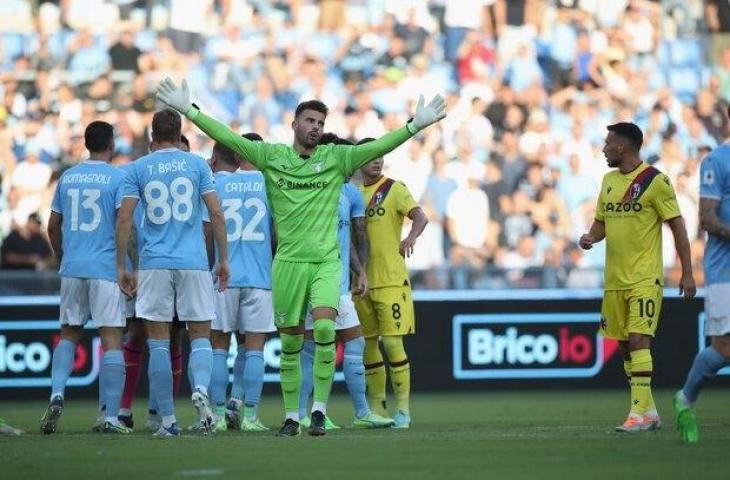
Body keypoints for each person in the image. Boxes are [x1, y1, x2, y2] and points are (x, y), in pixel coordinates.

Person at [156, 77, 446, 436]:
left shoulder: (336, 158)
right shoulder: (273, 157)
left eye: (321, 123)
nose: (315, 128)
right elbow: (229, 139)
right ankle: (293, 415)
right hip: (288, 264)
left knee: (324, 329)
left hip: (326, 264)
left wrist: (414, 125)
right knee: (292, 342)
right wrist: (189, 110)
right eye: (310, 121)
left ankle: (319, 411)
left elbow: (379, 146)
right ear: (294, 124)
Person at [116, 109, 229, 437]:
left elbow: (124, 220)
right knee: (200, 336)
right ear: (179, 132)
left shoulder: (138, 167)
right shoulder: (196, 164)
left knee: (159, 343)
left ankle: (167, 421)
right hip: (193, 261)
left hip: (154, 263)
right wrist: (224, 259)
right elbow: (217, 214)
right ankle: (201, 389)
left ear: (152, 137)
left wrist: (122, 265)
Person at [579, 122, 696, 433]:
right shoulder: (607, 181)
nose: (603, 149)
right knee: (624, 345)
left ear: (623, 147)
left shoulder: (655, 181)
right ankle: (649, 411)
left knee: (638, 338)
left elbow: (678, 226)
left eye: (607, 144)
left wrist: (687, 272)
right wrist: (590, 237)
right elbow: (601, 222)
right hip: (615, 279)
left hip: (645, 277)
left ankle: (637, 414)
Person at [299, 134, 394, 430]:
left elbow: (355, 236)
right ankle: (307, 412)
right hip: (310, 279)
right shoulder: (306, 186)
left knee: (351, 342)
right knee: (312, 347)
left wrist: (360, 271)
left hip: (338, 283)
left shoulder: (350, 193)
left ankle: (359, 413)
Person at [42, 121, 130, 435]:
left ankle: (56, 394)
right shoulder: (119, 177)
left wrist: (62, 256)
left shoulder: (67, 177)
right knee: (111, 340)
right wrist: (123, 265)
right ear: (112, 144)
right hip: (105, 268)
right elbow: (123, 222)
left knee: (68, 334)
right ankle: (108, 416)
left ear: (86, 143)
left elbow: (52, 226)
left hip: (73, 266)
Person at [353, 138, 428, 429]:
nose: (377, 160)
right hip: (360, 282)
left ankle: (403, 411)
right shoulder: (352, 192)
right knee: (368, 345)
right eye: (371, 156)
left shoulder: (394, 189)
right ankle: (376, 410)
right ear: (359, 160)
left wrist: (410, 237)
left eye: (381, 155)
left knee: (393, 344)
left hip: (391, 280)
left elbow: (420, 216)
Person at [117, 134, 191, 431]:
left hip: (181, 269)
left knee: (173, 337)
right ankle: (121, 409)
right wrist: (130, 266)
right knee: (136, 334)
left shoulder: (194, 178)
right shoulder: (138, 175)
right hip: (146, 269)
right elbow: (127, 224)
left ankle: (159, 411)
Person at [204, 133, 275, 433]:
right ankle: (249, 415)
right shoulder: (270, 184)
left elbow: (208, 231)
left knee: (219, 345)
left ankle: (219, 415)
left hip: (224, 275)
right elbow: (278, 233)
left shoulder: (217, 184)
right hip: (260, 277)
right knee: (255, 348)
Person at [674, 130, 730, 444]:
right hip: (725, 270)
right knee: (724, 348)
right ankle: (685, 399)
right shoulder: (717, 161)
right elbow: (707, 219)